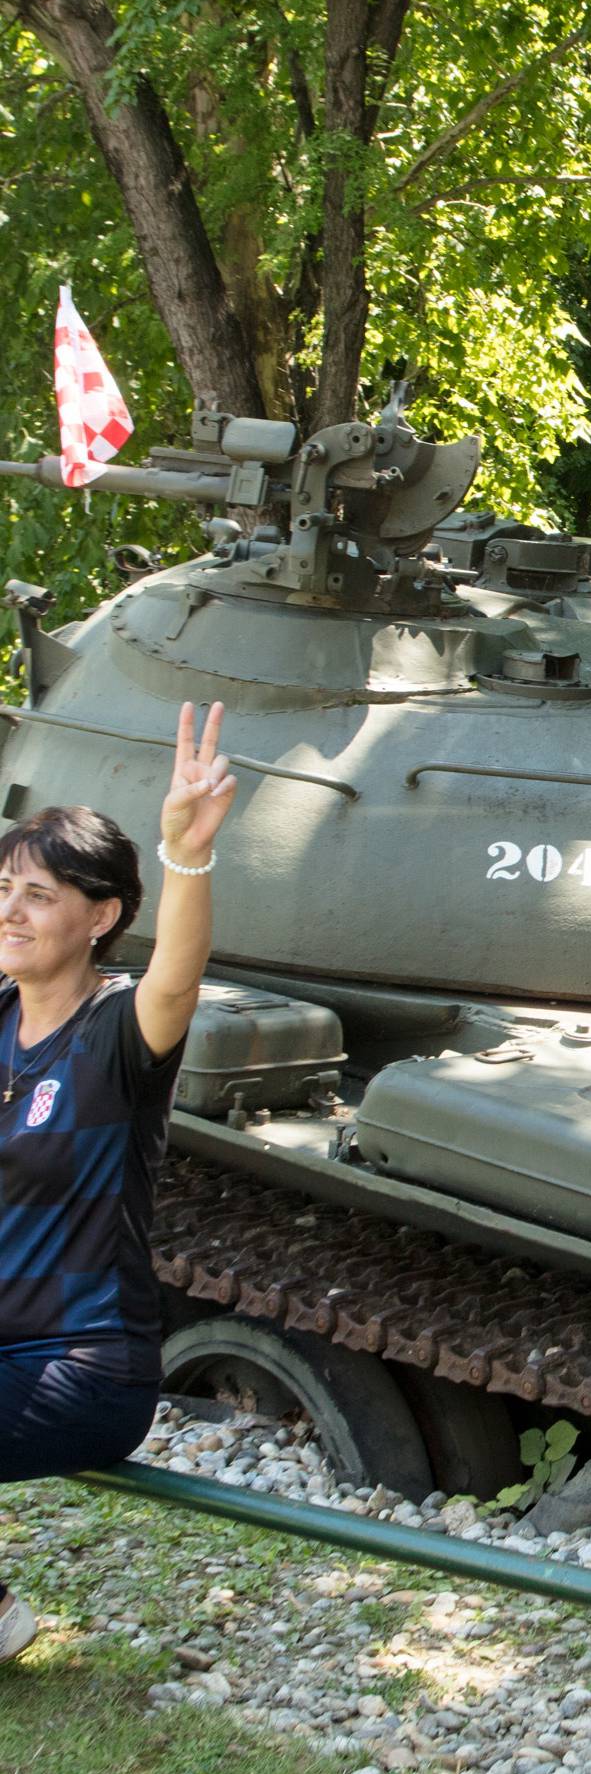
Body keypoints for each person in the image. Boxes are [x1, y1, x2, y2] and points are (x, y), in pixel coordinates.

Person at [0, 703, 236, 1661]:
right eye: (3, 888)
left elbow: (176, 982)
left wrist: (185, 851)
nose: (11, 910)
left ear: (101, 917)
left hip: (83, 1364)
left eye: (39, 896)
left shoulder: (114, 1038)